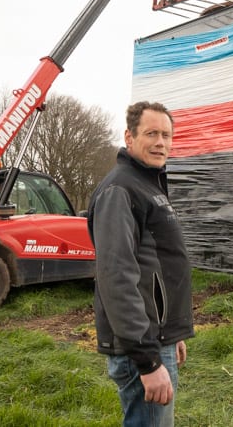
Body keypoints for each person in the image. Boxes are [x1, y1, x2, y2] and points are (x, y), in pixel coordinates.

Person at [86, 101, 194, 427]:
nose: (161, 142)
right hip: (141, 348)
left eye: (166, 134)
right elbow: (116, 276)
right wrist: (147, 361)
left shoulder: (148, 184)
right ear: (129, 138)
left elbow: (154, 264)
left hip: (157, 338)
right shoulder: (121, 189)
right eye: (151, 133)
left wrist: (173, 333)